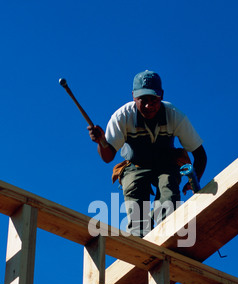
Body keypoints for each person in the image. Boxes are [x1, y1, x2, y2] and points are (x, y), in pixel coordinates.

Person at [88, 70, 207, 237]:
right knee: (135, 199)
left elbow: (200, 154)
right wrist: (101, 142)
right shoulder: (123, 117)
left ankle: (168, 232)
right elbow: (108, 157)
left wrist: (195, 179)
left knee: (168, 194)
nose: (148, 106)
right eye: (143, 100)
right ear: (133, 97)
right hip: (135, 165)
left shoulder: (173, 115)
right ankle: (140, 238)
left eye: (154, 100)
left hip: (166, 164)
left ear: (161, 96)